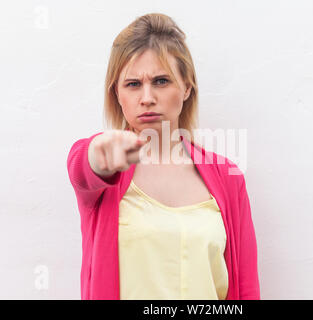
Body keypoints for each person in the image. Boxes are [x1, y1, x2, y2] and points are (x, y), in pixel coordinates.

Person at [67, 13, 260, 300]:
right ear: (117, 94)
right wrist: (98, 154)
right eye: (132, 84)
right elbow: (82, 165)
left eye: (161, 81)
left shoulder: (228, 178)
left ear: (186, 88)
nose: (147, 97)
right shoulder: (106, 173)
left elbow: (246, 289)